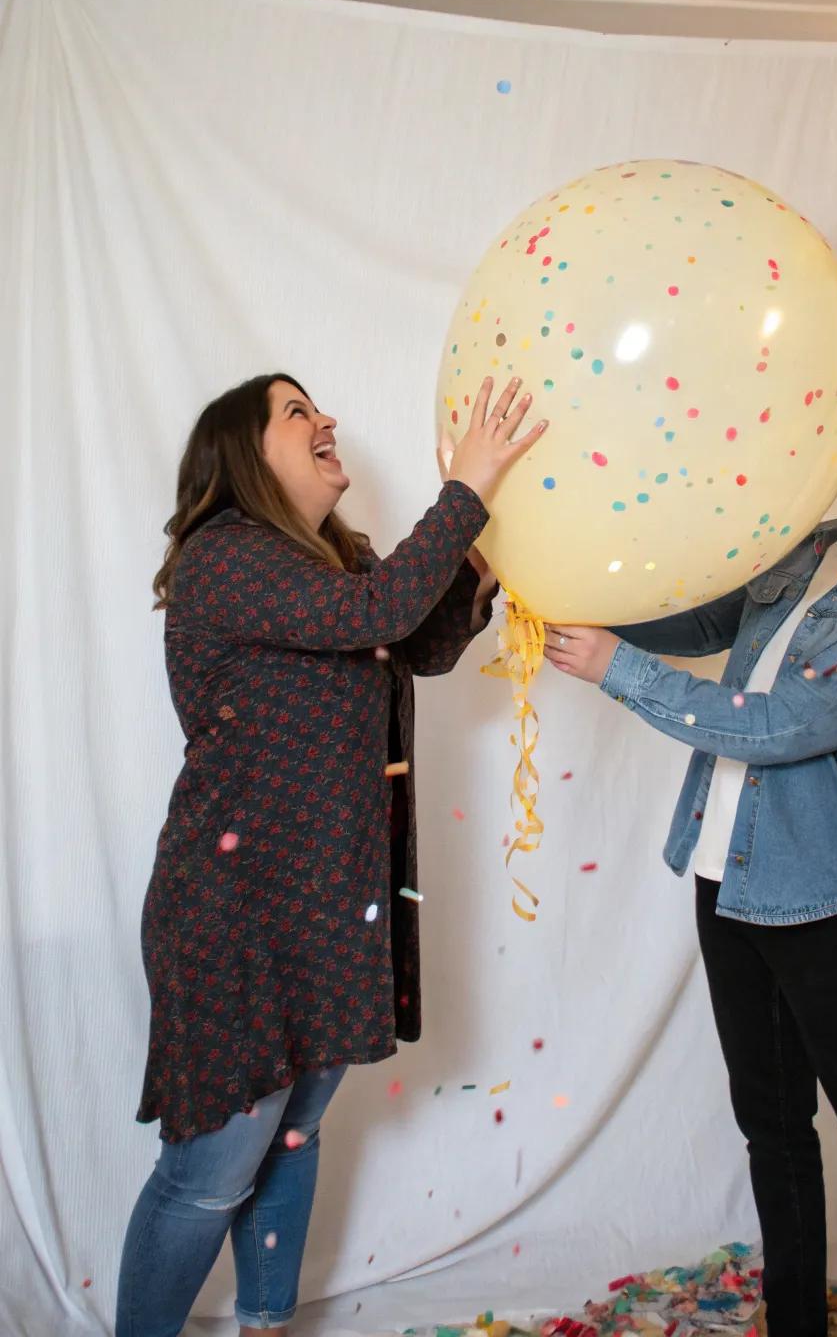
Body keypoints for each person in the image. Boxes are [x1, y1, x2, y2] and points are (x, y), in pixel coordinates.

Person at [544, 394, 837, 1337]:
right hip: (729, 877)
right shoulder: (807, 543)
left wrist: (616, 671)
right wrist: (579, 606)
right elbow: (709, 621)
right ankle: (793, 1323)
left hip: (835, 903)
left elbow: (780, 726)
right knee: (774, 1128)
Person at [117, 371, 545, 1337]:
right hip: (235, 913)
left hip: (328, 906)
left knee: (292, 1138)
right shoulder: (224, 557)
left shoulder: (333, 568)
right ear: (243, 456)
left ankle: (266, 1324)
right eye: (297, 412)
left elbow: (417, 642)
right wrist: (464, 490)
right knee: (208, 1178)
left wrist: (479, 553)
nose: (327, 420)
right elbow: (378, 617)